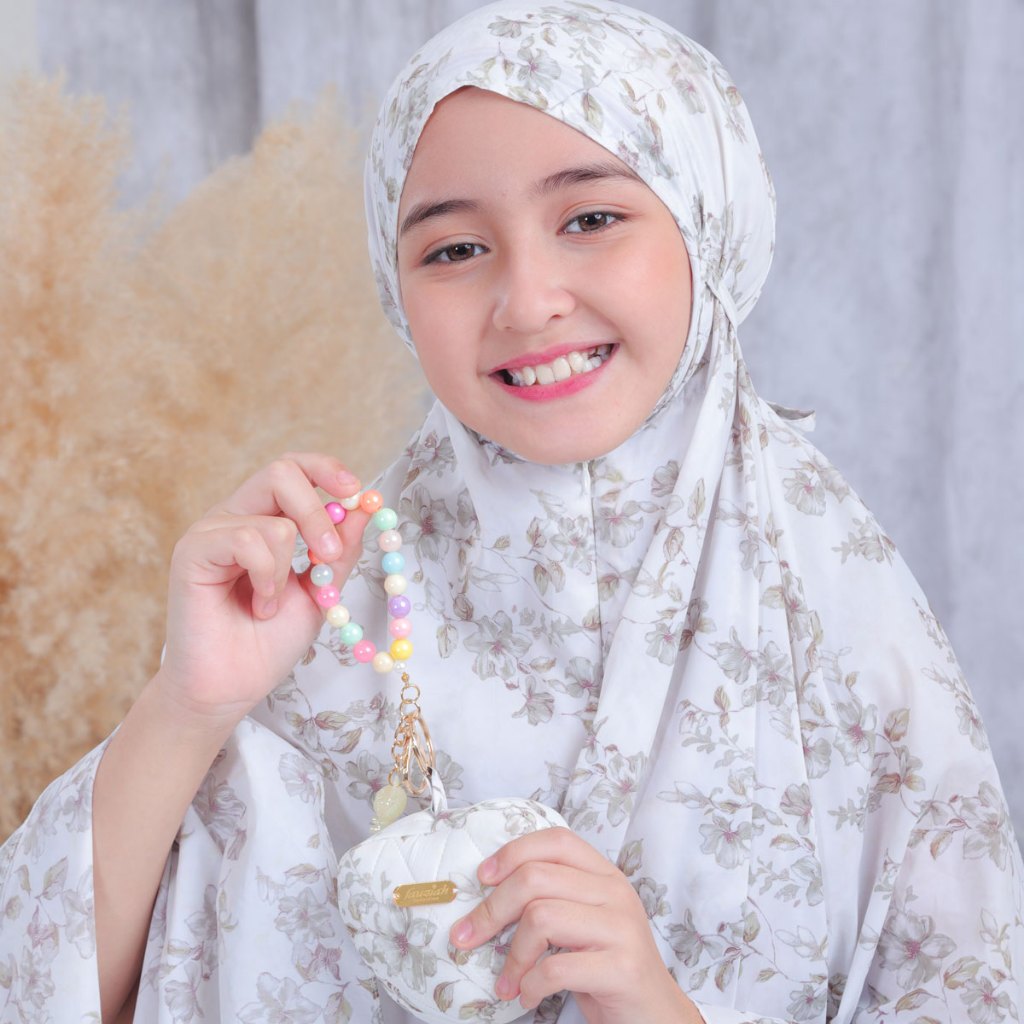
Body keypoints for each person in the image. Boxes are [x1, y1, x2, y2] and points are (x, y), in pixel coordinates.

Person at [2, 2, 1021, 1022]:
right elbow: (46, 990)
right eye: (453, 249)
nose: (527, 300)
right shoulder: (333, 612)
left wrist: (653, 1005)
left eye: (590, 219)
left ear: (704, 222)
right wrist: (189, 705)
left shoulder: (838, 616)